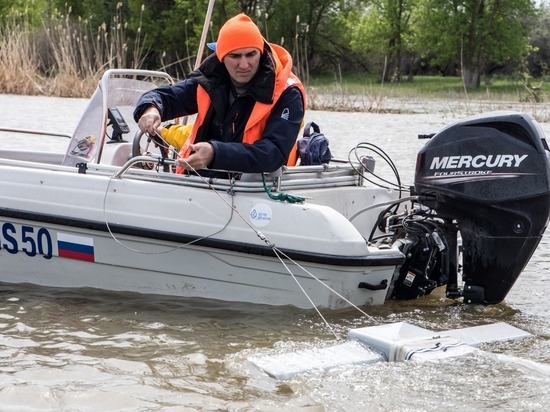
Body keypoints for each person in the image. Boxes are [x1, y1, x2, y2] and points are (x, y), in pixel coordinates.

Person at [133, 13, 306, 176]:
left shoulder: (288, 93)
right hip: (201, 184)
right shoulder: (209, 80)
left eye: (251, 54)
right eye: (235, 56)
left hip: (257, 190)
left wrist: (216, 153)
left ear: (260, 52)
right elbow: (166, 97)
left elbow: (273, 153)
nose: (244, 64)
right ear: (221, 57)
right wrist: (151, 109)